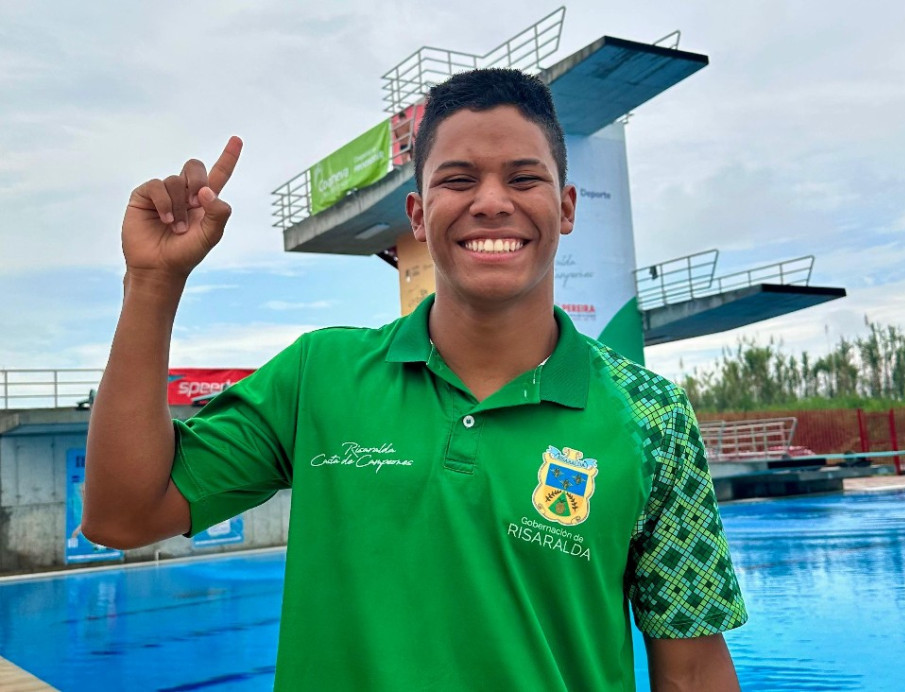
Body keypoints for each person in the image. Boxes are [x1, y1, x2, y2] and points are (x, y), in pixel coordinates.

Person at [84, 68, 747, 691]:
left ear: (566, 207)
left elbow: (689, 671)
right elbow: (121, 517)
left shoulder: (650, 415)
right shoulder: (319, 376)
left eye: (523, 179)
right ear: (418, 215)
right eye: (457, 180)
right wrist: (153, 282)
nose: (491, 203)